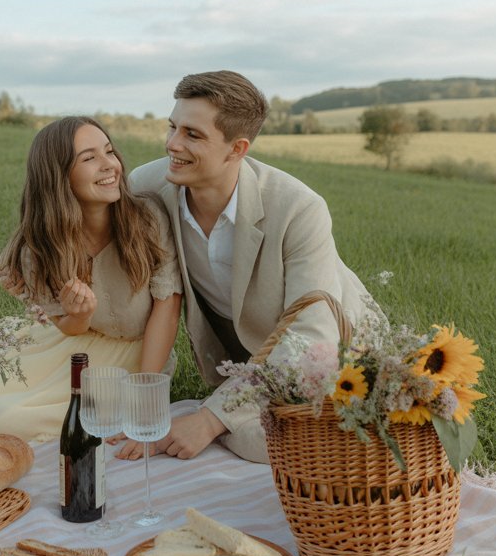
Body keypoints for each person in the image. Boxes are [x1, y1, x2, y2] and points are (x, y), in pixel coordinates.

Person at [122, 69, 380, 463]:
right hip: (249, 354)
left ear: (237, 149)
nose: (172, 144)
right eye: (172, 127)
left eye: (193, 134)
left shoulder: (299, 208)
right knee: (251, 433)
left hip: (336, 350)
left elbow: (314, 337)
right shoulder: (148, 186)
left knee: (282, 443)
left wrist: (209, 420)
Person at [0, 116, 183, 443]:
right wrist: (79, 315)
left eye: (109, 151)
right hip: (73, 348)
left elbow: (168, 309)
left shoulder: (147, 220)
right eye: (89, 158)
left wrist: (144, 391)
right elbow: (69, 327)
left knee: (16, 420)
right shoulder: (40, 249)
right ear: (59, 178)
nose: (109, 165)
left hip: (140, 354)